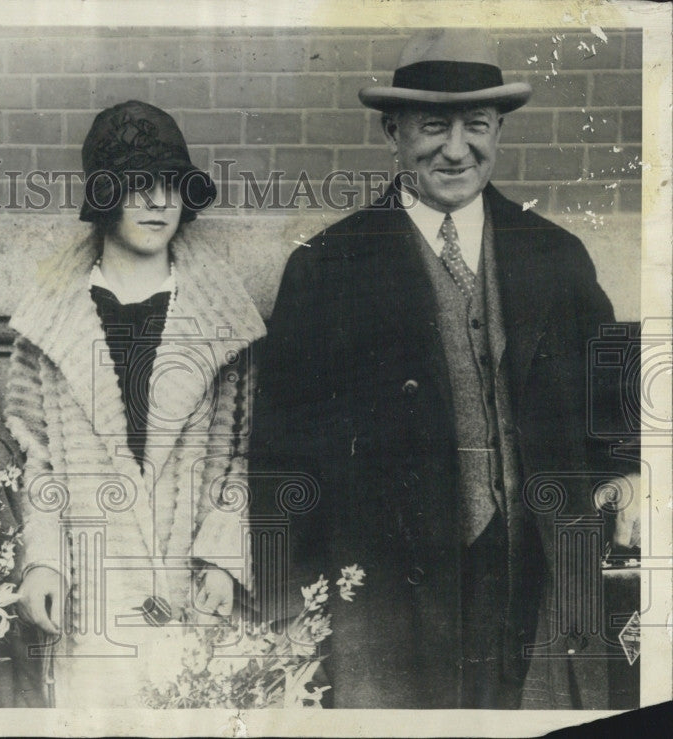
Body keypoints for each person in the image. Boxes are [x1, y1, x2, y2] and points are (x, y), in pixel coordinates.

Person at [250, 29, 639, 709]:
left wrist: (625, 469)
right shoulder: (328, 266)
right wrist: (291, 601)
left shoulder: (557, 256)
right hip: (390, 591)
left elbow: (614, 397)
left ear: (499, 132)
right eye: (433, 126)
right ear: (392, 130)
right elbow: (283, 451)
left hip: (536, 572)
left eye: (477, 126)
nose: (456, 149)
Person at [8, 100, 266, 707]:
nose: (157, 203)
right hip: (91, 596)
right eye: (137, 186)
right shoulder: (51, 322)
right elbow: (33, 457)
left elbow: (242, 457)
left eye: (171, 186)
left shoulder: (223, 320)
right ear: (104, 197)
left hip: (193, 594)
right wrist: (42, 561)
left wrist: (223, 560)